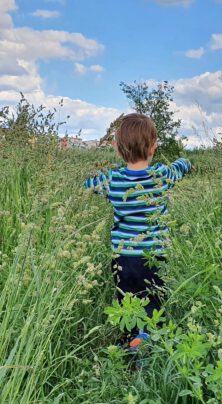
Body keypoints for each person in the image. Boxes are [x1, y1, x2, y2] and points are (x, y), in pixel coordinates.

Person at [84, 113, 192, 349]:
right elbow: (181, 166)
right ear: (153, 147)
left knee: (126, 302)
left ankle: (126, 345)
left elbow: (87, 185)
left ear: (117, 148)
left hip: (123, 257)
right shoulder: (162, 175)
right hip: (156, 255)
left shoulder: (113, 180)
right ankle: (150, 345)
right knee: (154, 301)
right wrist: (185, 162)